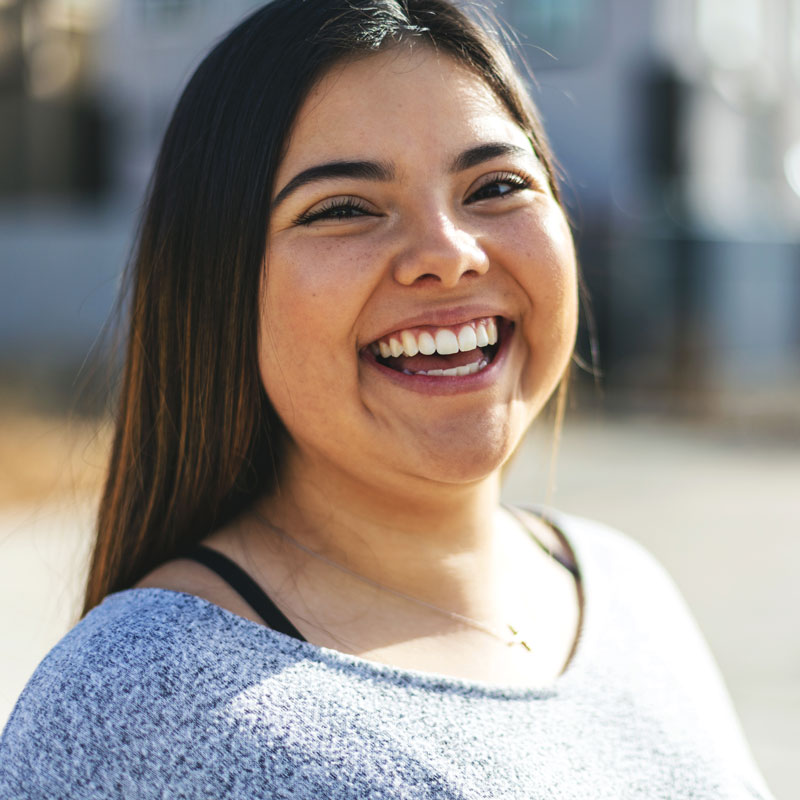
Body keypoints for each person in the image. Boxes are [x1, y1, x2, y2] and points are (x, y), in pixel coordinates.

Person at [0, 1, 776, 797]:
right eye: (343, 209)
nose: (448, 253)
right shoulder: (136, 705)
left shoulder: (626, 589)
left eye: (497, 185)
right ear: (219, 287)